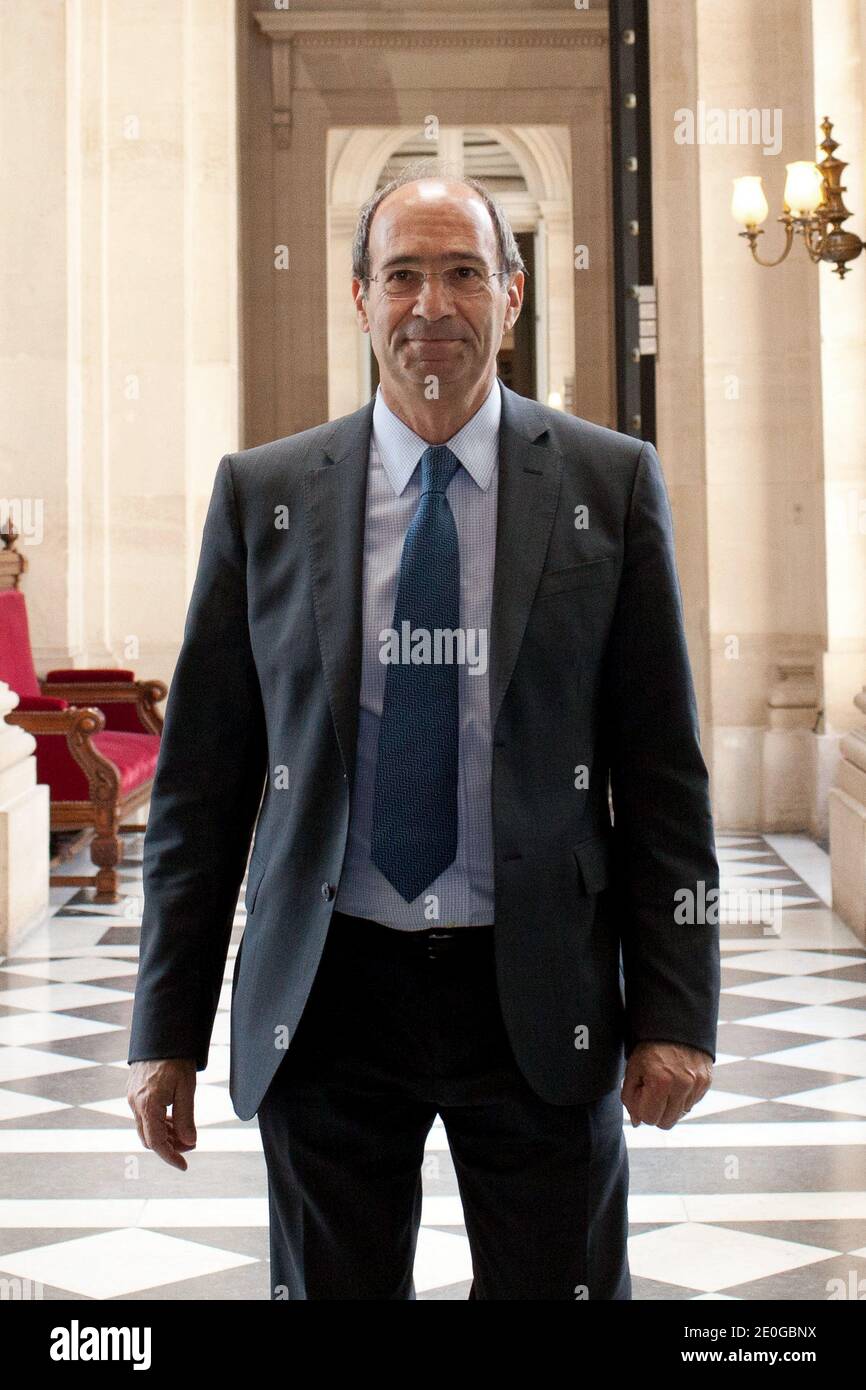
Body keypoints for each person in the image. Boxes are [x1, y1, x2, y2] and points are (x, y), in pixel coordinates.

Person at [127, 162, 720, 1300]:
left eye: (461, 273)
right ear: (359, 298)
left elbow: (661, 775)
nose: (431, 307)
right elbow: (201, 790)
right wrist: (166, 1028)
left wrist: (675, 1008)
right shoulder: (265, 495)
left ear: (511, 291)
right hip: (329, 994)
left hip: (542, 989)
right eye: (402, 275)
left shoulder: (609, 481)